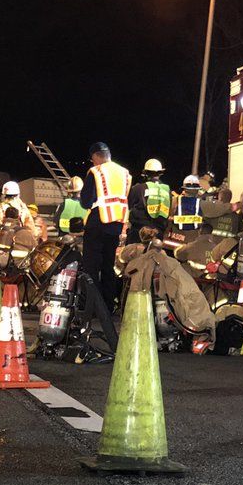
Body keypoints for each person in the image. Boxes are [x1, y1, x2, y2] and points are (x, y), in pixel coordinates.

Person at [78, 141, 130, 351]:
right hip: (116, 225)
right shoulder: (125, 172)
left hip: (98, 223)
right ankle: (108, 307)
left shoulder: (96, 171)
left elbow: (86, 201)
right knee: (108, 267)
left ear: (96, 156)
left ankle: (91, 308)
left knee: (90, 268)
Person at [126, 158, 171, 245]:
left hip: (139, 232)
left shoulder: (138, 188)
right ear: (160, 173)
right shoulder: (167, 190)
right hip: (158, 232)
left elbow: (129, 205)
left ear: (145, 173)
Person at [169, 174, 204, 242]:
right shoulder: (201, 202)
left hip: (176, 237)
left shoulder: (175, 200)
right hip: (193, 238)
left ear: (184, 189)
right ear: (197, 190)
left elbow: (170, 216)